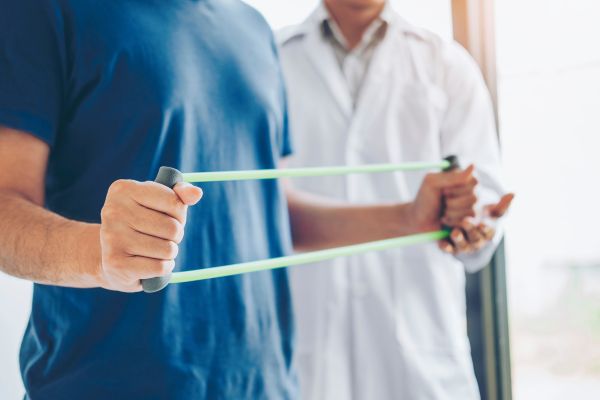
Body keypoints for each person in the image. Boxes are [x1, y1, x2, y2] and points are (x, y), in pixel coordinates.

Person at [0, 0, 481, 399]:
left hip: (266, 385)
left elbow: (272, 214)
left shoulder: (251, 28)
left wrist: (407, 218)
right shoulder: (42, 9)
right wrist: (99, 255)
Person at [278, 0, 514, 399]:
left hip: (422, 360)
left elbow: (482, 199)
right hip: (306, 360)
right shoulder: (271, 60)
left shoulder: (446, 64)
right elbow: (256, 211)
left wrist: (471, 222)